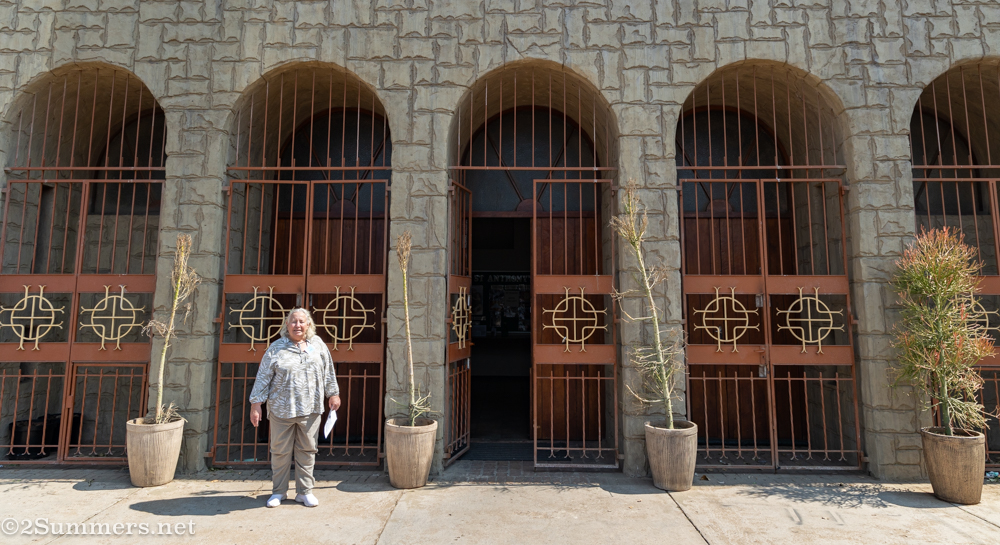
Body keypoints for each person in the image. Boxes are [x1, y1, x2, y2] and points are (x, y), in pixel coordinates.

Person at [249, 308, 341, 508]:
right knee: (280, 451)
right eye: (293, 322)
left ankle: (304, 492)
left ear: (308, 325)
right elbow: (263, 376)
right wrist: (256, 404)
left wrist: (333, 393)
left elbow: (328, 370)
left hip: (311, 409)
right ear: (287, 325)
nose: (297, 325)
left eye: (301, 321)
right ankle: (278, 492)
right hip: (282, 410)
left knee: (307, 450)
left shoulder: (318, 345)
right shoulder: (276, 348)